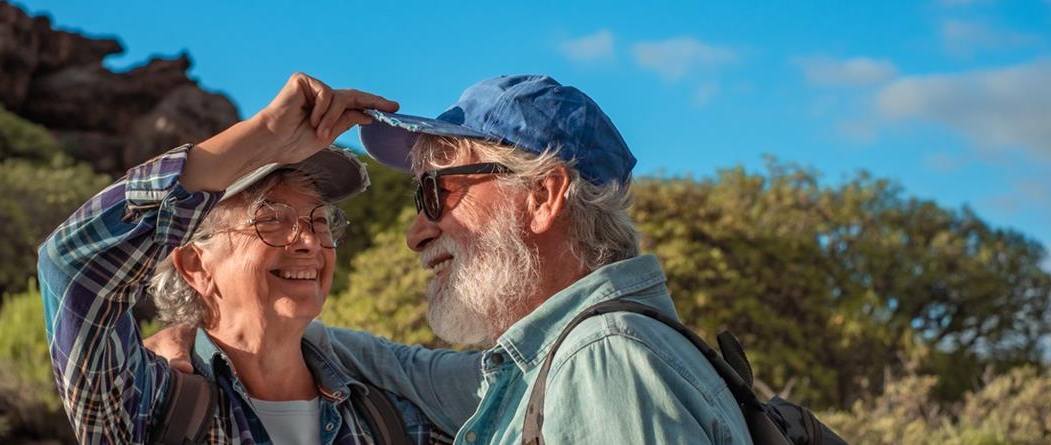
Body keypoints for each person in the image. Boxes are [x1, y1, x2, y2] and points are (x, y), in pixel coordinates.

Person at [149, 74, 756, 444]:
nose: (417, 232)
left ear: (542, 197)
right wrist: (219, 327)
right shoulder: (546, 366)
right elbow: (397, 366)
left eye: (436, 191)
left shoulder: (602, 362)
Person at [36, 72, 471, 444]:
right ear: (194, 265)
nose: (308, 241)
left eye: (321, 221)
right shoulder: (150, 404)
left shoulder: (389, 418)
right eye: (273, 220)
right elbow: (73, 268)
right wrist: (263, 134)